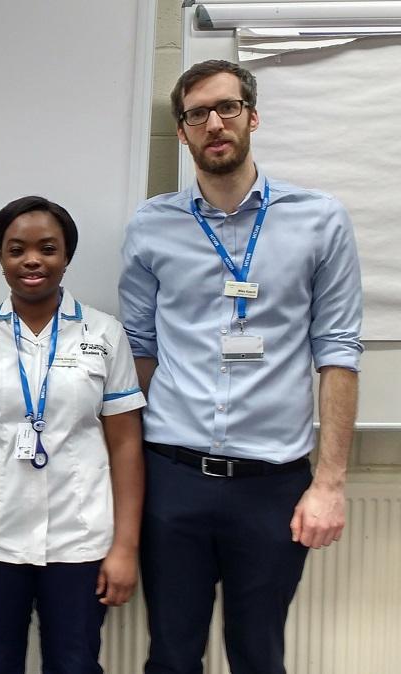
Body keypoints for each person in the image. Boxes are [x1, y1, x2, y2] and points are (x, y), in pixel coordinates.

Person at [120, 59, 362, 674]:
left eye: (227, 108)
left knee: (259, 653)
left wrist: (329, 483)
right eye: (197, 114)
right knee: (172, 655)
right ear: (182, 132)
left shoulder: (320, 219)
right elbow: (138, 350)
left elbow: (337, 352)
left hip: (272, 482)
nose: (214, 124)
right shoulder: (152, 226)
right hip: (173, 475)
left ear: (252, 116)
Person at [0, 196, 145, 673]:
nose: (32, 260)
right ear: (1, 258)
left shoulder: (105, 335)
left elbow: (126, 444)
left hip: (80, 539)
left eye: (47, 248)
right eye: (16, 249)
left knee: (74, 664)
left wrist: (125, 548)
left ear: (66, 256)